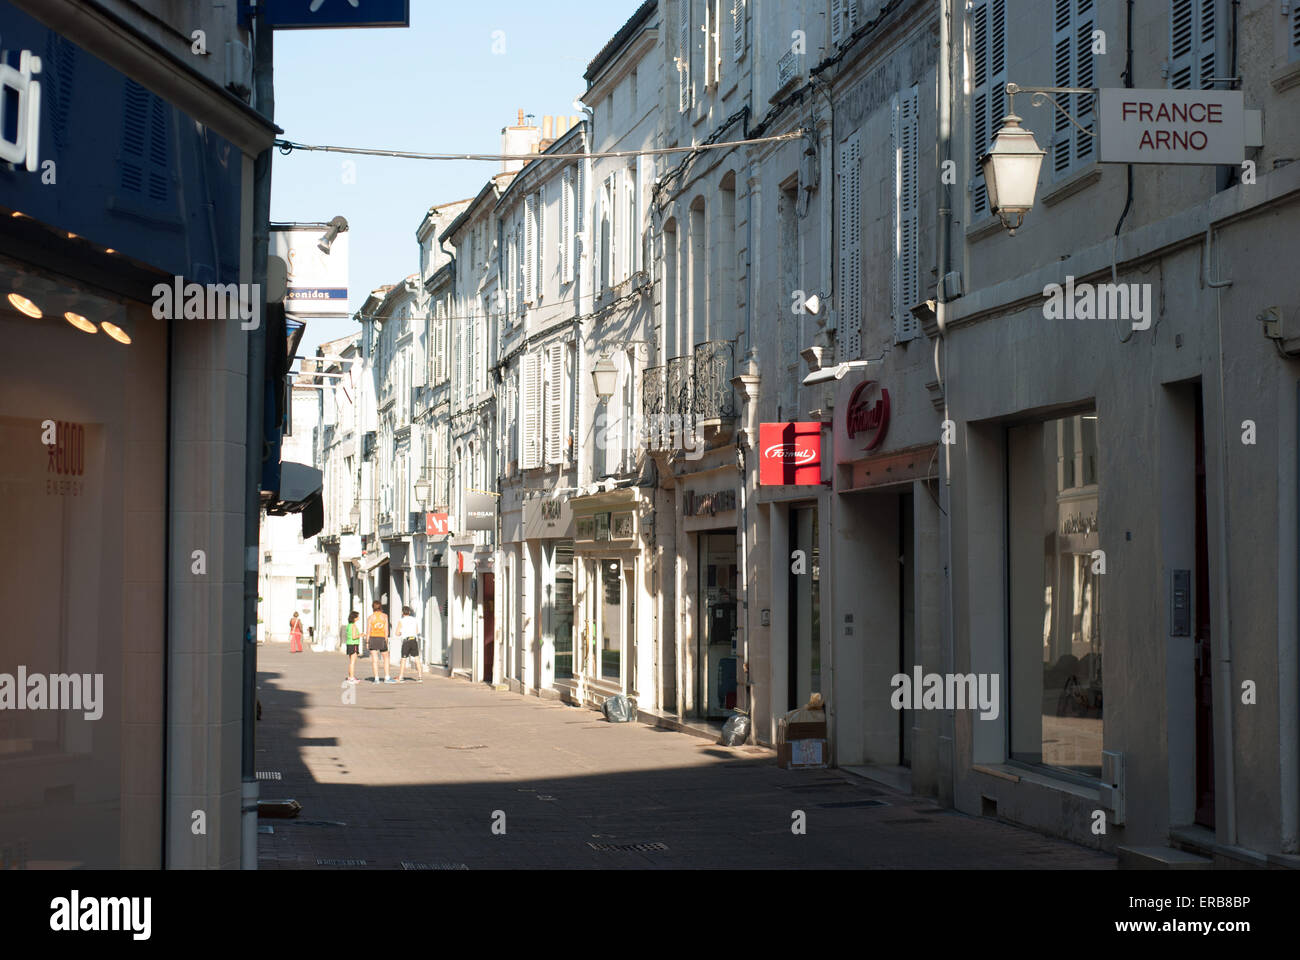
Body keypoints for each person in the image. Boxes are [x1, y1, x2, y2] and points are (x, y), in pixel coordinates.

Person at [365, 600, 393, 683]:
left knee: (374, 660)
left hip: (373, 638)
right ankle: (387, 677)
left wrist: (367, 642)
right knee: (386, 658)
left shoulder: (370, 617)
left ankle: (376, 678)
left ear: (373, 607)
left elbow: (368, 631)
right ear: (380, 607)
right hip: (381, 638)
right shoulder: (384, 616)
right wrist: (386, 640)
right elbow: (386, 630)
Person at [396, 605, 423, 683]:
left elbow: (397, 633)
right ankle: (420, 677)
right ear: (409, 612)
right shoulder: (414, 620)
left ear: (402, 612)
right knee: (417, 658)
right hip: (414, 640)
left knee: (403, 659)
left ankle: (401, 677)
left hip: (406, 641)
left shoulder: (401, 620)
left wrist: (402, 632)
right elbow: (417, 631)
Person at [342, 611, 361, 683]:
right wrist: (361, 635)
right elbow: (354, 636)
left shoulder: (349, 625)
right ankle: (351, 678)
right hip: (354, 644)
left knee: (351, 662)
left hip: (349, 644)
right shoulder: (353, 625)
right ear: (354, 618)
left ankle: (350, 677)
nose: (358, 618)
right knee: (353, 662)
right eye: (358, 616)